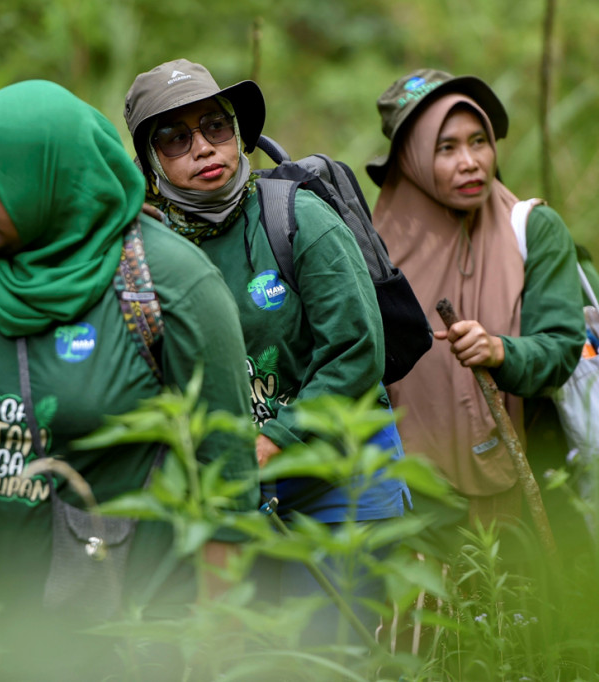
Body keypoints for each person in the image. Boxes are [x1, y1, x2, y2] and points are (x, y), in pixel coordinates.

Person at [0, 79, 259, 678]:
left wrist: (217, 642)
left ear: (51, 176)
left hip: (123, 633)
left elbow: (228, 487)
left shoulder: (169, 282)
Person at [124, 59, 410, 647]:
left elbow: (356, 353)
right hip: (240, 499)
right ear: (151, 166)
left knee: (329, 656)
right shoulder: (149, 252)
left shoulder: (298, 218)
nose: (203, 148)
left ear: (239, 133)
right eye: (176, 138)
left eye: (215, 127)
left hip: (341, 487)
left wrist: (276, 437)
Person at [366, 69, 585, 547]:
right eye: (446, 148)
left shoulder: (532, 229)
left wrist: (500, 352)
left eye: (479, 141)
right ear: (411, 158)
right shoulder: (369, 249)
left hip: (520, 484)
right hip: (401, 491)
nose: (471, 162)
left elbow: (563, 345)